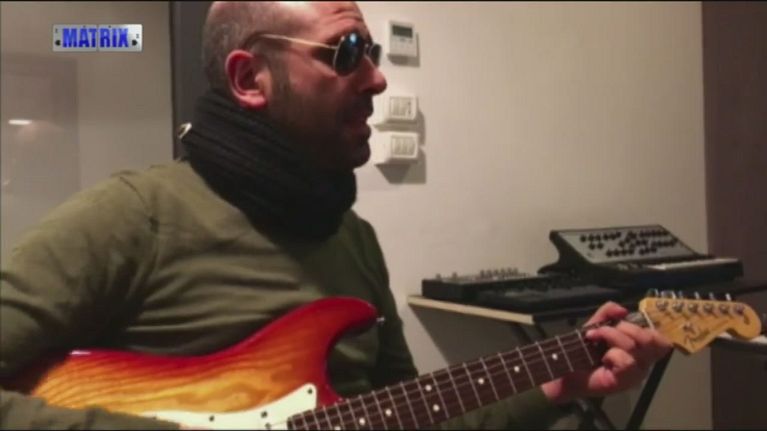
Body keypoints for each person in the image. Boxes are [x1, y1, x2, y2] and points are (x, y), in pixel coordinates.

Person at [0, 2, 672, 429]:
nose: (377, 78)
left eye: (372, 54)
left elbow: (412, 413)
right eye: (347, 52)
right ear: (249, 79)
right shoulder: (134, 216)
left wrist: (555, 385)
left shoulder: (353, 240)